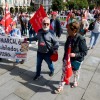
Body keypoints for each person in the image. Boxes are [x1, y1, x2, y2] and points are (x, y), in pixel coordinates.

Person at [54, 19, 87, 94]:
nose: (67, 30)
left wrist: (75, 54)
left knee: (75, 72)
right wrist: (64, 58)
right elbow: (66, 49)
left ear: (74, 31)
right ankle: (61, 86)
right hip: (67, 59)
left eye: (68, 29)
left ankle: (75, 81)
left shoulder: (81, 39)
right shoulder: (69, 37)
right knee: (64, 72)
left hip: (76, 60)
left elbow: (85, 52)